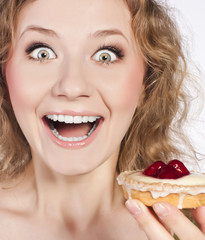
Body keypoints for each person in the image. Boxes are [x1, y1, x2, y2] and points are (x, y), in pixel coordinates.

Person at [0, 0, 204, 239]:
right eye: (42, 52)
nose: (72, 86)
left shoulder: (191, 227)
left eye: (105, 55)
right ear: (4, 79)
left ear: (147, 84)